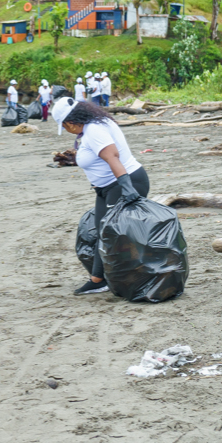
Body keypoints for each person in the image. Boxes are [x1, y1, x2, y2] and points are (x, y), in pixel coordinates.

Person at [51, 97, 149, 296]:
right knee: (102, 231)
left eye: (64, 126)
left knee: (110, 233)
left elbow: (112, 155)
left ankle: (110, 278)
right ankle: (99, 279)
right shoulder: (93, 125)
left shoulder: (94, 129)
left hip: (122, 182)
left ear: (69, 121)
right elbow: (98, 155)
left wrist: (126, 187)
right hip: (106, 187)